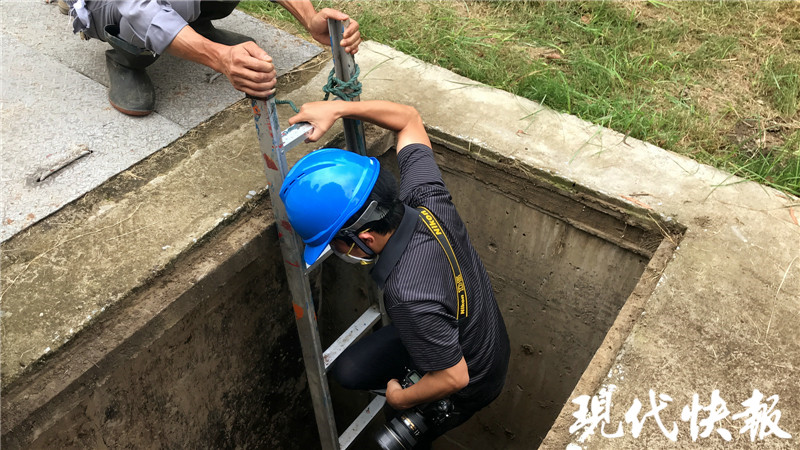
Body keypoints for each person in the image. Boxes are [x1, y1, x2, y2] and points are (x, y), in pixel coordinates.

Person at [279, 100, 510, 448]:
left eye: (335, 244)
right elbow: (408, 119)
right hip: (476, 328)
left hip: (471, 375)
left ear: (364, 238)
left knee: (395, 436)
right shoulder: (425, 197)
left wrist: (401, 399)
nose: (336, 252)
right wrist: (338, 109)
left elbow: (454, 376)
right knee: (349, 371)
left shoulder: (407, 294)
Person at [60, 0, 360, 116]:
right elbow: (141, 9)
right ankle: (126, 60)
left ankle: (195, 28)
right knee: (152, 13)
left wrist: (309, 18)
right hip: (111, 7)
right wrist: (220, 57)